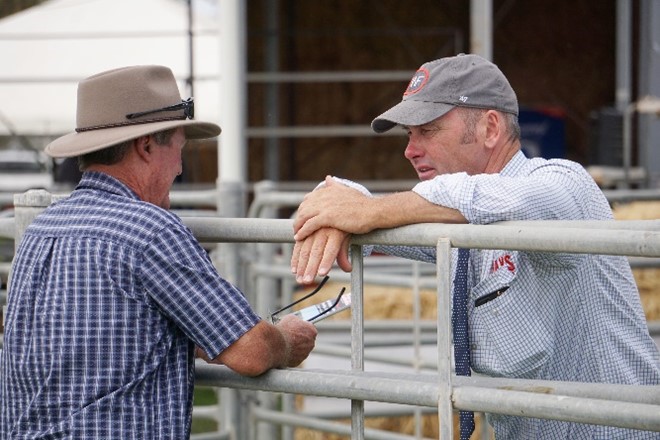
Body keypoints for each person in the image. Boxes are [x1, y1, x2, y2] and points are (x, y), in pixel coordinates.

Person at [291, 54, 660, 439]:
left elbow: (508, 201)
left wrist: (367, 211)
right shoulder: (451, 221)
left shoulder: (563, 184)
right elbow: (376, 217)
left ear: (490, 128)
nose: (410, 150)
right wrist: (336, 201)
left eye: (428, 130)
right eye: (408, 134)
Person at [0, 65, 317, 439]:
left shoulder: (42, 228)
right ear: (147, 146)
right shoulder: (150, 230)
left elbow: (97, 338)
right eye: (179, 149)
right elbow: (251, 352)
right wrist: (285, 339)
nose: (180, 167)